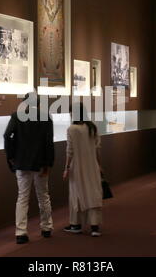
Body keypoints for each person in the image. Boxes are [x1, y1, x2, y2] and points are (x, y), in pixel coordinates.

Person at [3, 92, 55, 244]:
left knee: (22, 198)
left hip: (22, 163)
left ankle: (21, 232)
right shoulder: (46, 118)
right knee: (43, 196)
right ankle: (46, 228)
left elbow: (7, 136)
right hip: (40, 164)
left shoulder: (16, 116)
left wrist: (11, 156)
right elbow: (48, 143)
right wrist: (48, 163)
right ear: (38, 104)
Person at [63, 102, 103, 237]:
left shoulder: (72, 129)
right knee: (93, 193)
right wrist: (99, 165)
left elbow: (70, 151)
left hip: (77, 166)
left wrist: (66, 168)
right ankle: (95, 226)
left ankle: (76, 224)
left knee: (76, 195)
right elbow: (98, 149)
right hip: (92, 166)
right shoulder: (93, 127)